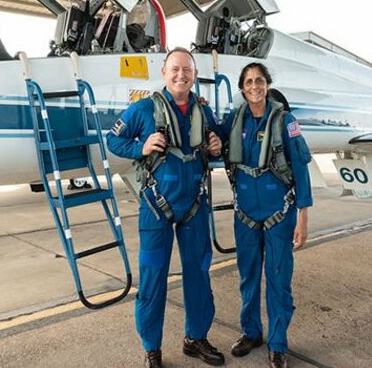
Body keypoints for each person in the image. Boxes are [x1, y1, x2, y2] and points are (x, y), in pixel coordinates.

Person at [106, 47, 225, 368]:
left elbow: (214, 145)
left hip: (195, 205)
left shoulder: (204, 112)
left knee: (198, 274)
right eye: (175, 69)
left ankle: (195, 338)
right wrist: (139, 146)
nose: (181, 75)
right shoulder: (143, 109)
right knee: (153, 276)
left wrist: (216, 146)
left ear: (195, 75)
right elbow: (112, 140)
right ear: (164, 73)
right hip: (156, 205)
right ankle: (152, 349)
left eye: (187, 70)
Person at [221, 63, 313, 368]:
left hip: (280, 213)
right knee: (248, 277)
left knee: (278, 278)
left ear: (267, 84)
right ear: (243, 88)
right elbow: (213, 140)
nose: (254, 86)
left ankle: (277, 343)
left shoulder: (286, 121)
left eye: (259, 81)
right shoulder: (235, 120)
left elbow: (301, 168)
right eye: (248, 82)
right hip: (245, 214)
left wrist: (303, 216)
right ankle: (251, 332)